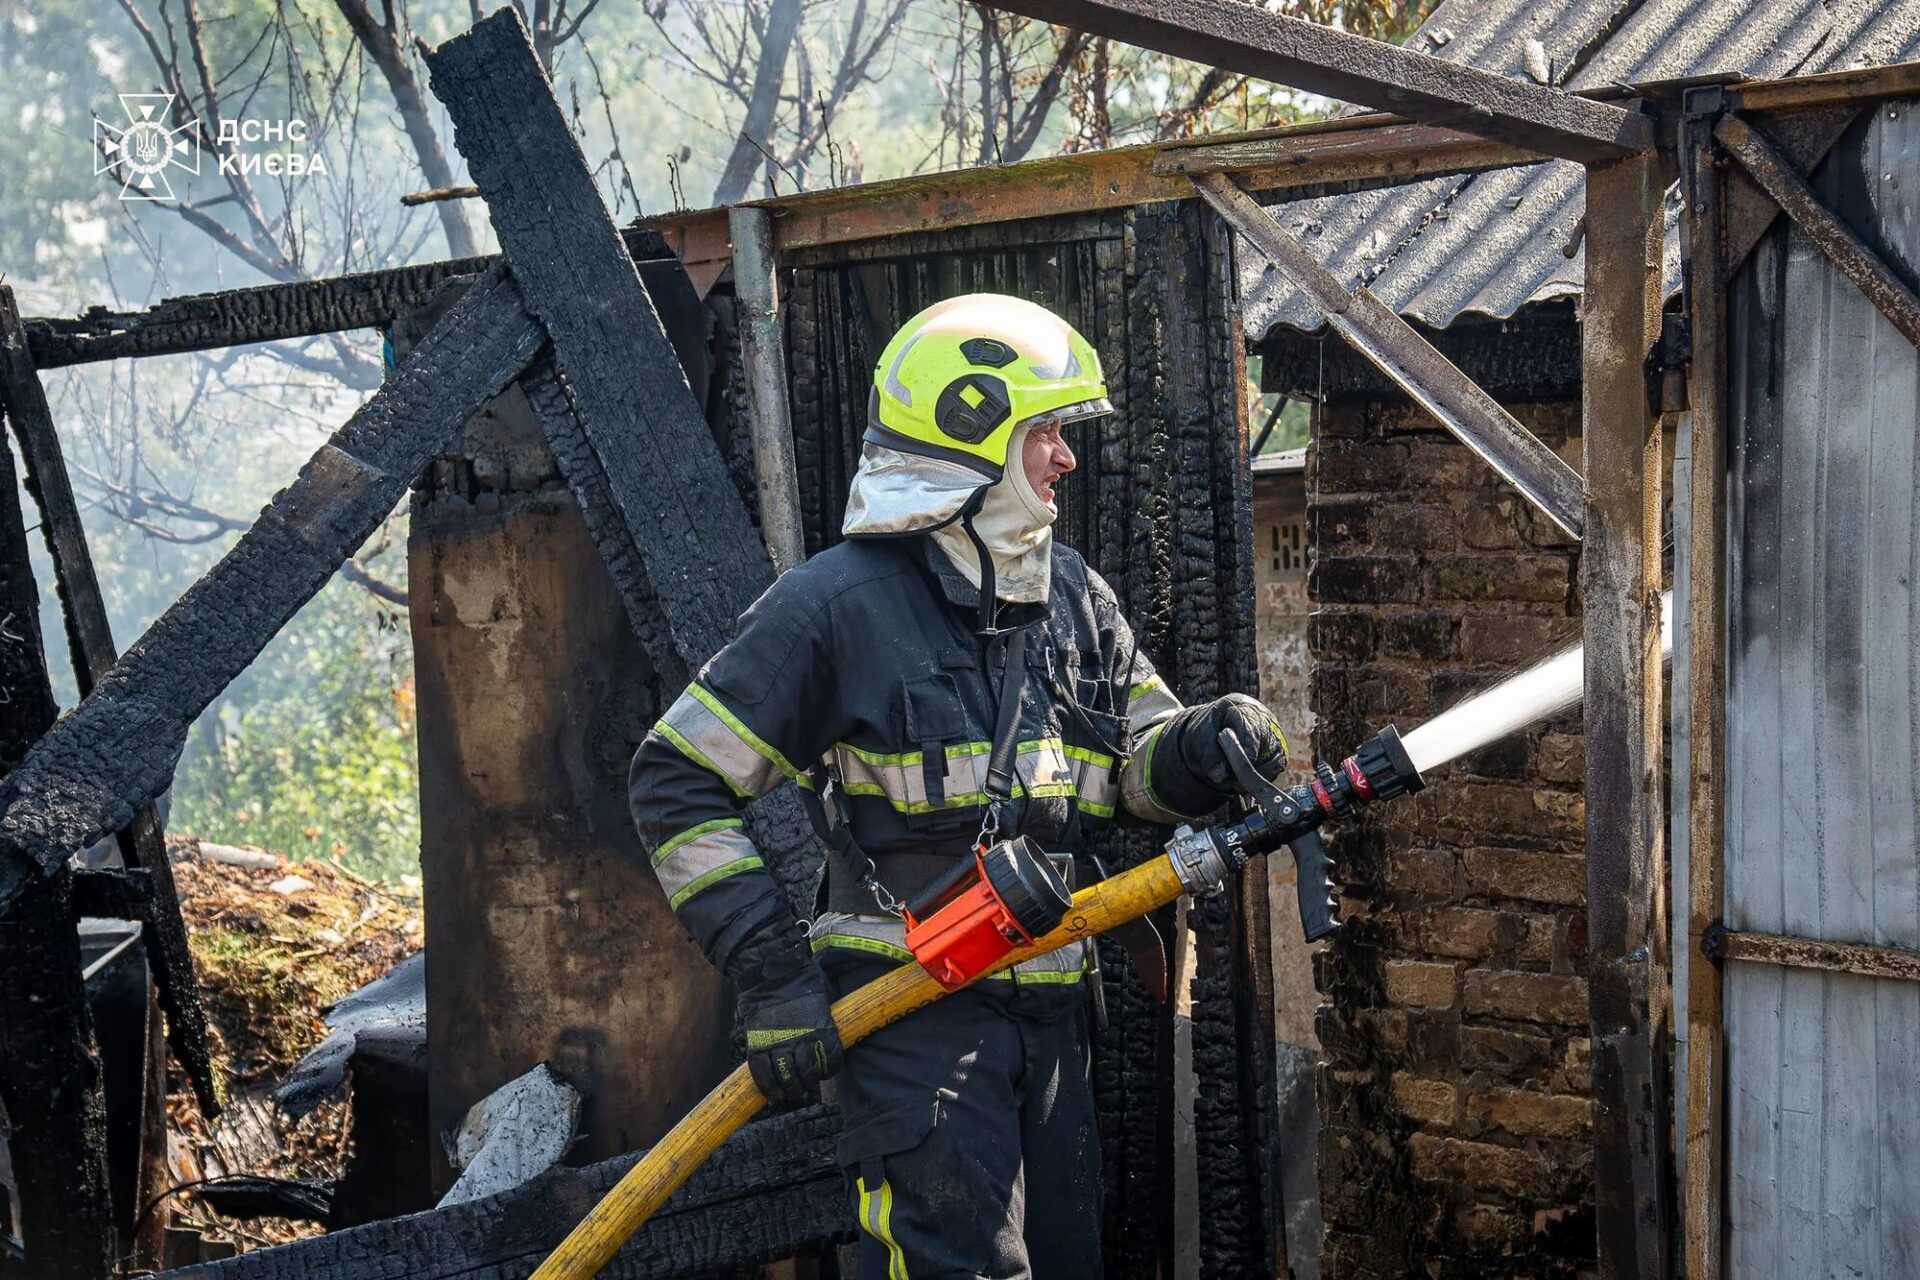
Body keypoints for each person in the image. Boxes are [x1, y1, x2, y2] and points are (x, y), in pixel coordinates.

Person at [628, 293, 1287, 1278]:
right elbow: (677, 779)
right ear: (970, 431)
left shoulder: (1075, 597)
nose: (1066, 457)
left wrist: (1202, 745)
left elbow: (1137, 769)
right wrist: (772, 974)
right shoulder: (836, 604)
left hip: (1057, 1009)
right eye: (1048, 431)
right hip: (912, 1016)